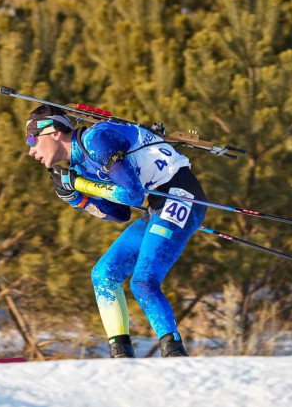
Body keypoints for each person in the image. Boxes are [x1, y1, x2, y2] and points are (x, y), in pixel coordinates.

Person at [25, 104, 207, 358]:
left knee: (143, 281)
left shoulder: (95, 138)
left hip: (181, 195)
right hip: (158, 206)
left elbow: (132, 195)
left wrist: (79, 184)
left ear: (55, 132)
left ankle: (174, 354)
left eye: (32, 139)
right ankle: (121, 354)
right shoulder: (80, 165)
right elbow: (119, 213)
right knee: (103, 274)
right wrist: (79, 200)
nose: (31, 150)